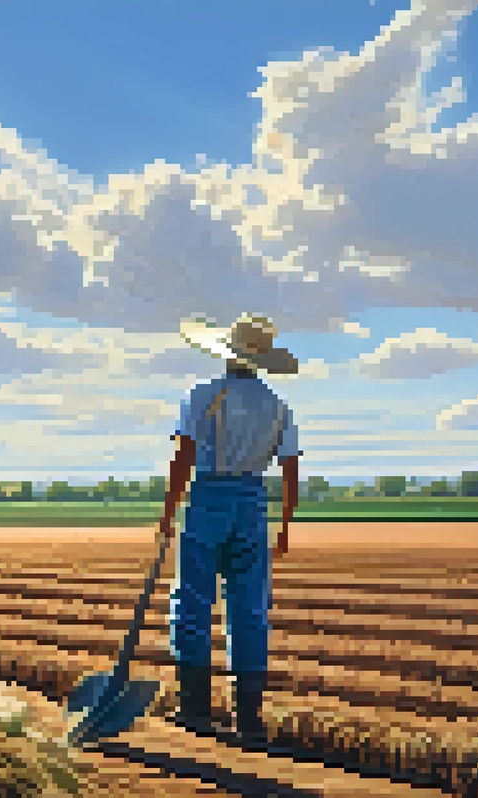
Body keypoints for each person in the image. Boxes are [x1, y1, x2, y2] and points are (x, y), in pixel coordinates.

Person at [159, 313, 301, 748]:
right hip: (252, 505)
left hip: (207, 500)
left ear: (226, 352)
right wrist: (284, 525)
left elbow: (183, 456)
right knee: (250, 608)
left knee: (193, 601)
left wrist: (169, 511)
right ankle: (249, 718)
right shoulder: (277, 406)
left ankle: (196, 709)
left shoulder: (201, 395)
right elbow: (292, 469)